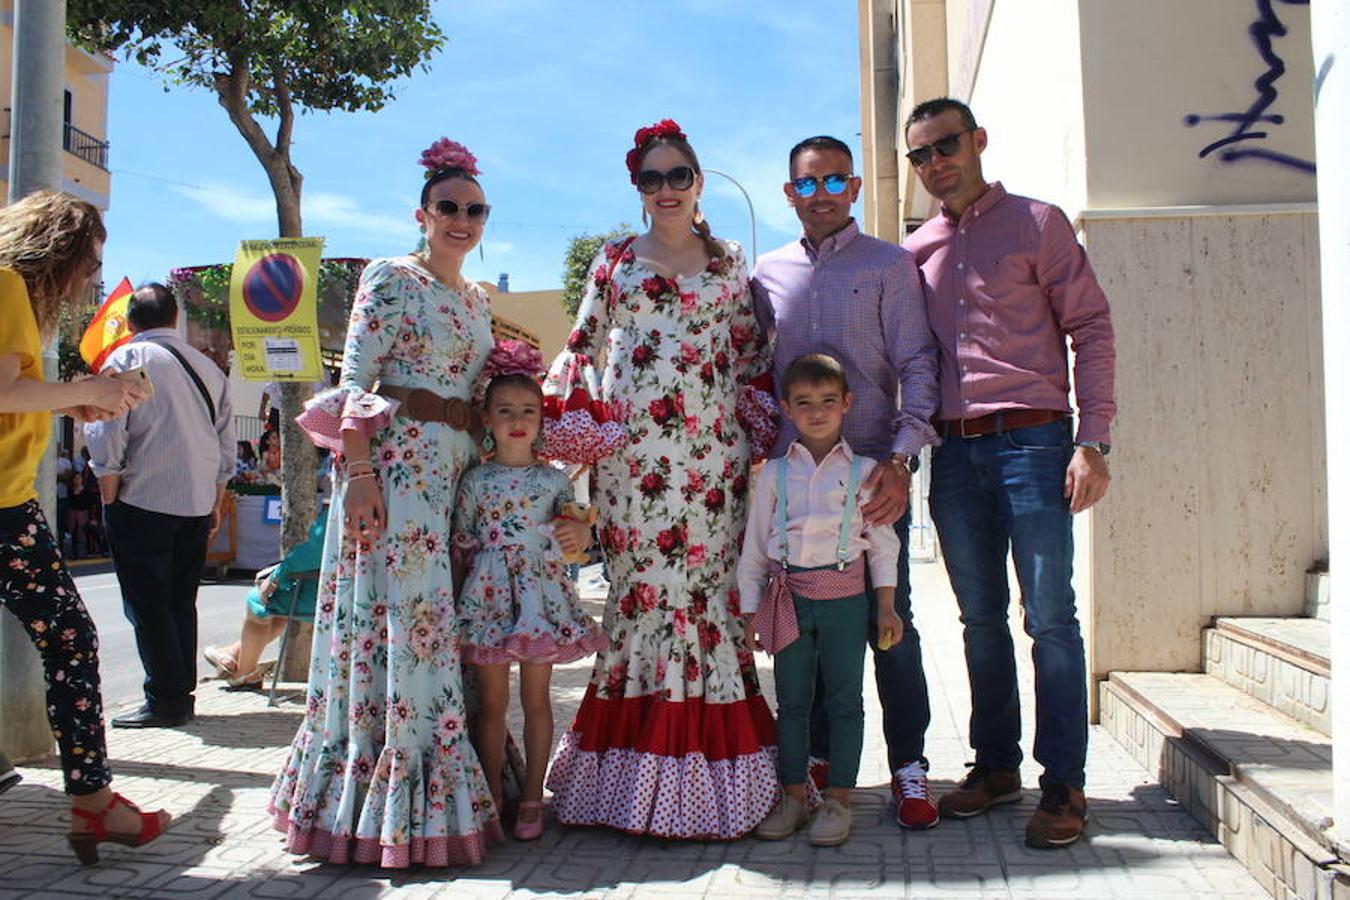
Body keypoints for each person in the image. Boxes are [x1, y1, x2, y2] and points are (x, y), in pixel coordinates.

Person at [544, 119, 779, 839]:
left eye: (679, 175)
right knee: (642, 598)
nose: (667, 189)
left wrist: (762, 445)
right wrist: (565, 448)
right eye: (653, 178)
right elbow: (580, 352)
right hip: (633, 468)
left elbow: (748, 355)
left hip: (714, 465)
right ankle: (628, 781)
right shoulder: (614, 260)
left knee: (704, 598)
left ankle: (709, 781)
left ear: (699, 182)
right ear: (637, 189)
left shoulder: (732, 259)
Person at [270, 137, 499, 868]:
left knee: (437, 626)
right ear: (422, 213)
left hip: (453, 481)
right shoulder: (391, 276)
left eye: (474, 209)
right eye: (448, 208)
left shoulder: (474, 297)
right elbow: (359, 376)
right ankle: (381, 806)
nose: (461, 219)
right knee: (400, 626)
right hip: (395, 475)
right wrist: (360, 470)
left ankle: (440, 787)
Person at [902, 97, 1116, 849]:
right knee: (979, 620)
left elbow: (1090, 329)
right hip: (954, 454)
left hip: (1035, 444)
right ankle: (996, 767)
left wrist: (1095, 441)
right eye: (920, 155)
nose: (935, 164)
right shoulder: (918, 248)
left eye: (946, 146)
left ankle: (1065, 786)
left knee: (1050, 617)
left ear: (978, 141)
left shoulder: (1037, 223)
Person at [750, 134, 942, 829]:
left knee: (890, 627)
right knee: (811, 644)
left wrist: (900, 458)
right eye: (808, 184)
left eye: (835, 182)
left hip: (872, 482)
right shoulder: (765, 274)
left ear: (854, 188)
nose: (821, 195)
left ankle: (910, 768)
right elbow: (754, 378)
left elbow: (918, 362)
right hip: (798, 487)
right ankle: (821, 773)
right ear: (789, 193)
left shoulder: (891, 265)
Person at [0, 188, 168, 862]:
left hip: (12, 506)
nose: (88, 281)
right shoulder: (9, 286)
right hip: (6, 511)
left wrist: (72, 405)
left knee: (70, 639)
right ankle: (93, 804)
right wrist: (90, 390)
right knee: (71, 641)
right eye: (89, 261)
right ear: (61, 246)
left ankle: (94, 803)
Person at [739, 354, 903, 847]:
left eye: (828, 401)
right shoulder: (772, 475)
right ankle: (794, 797)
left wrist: (887, 605)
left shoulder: (866, 471)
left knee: (845, 703)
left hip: (846, 606)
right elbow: (753, 548)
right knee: (791, 704)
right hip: (788, 599)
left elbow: (883, 546)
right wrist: (750, 611)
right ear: (787, 408)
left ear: (847, 405)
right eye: (804, 403)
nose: (816, 412)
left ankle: (837, 801)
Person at [452, 341, 606, 841]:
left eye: (529, 411)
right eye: (505, 411)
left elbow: (577, 539)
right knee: (492, 703)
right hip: (489, 599)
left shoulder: (555, 480)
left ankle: (534, 796)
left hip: (542, 599)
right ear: (487, 417)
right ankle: (493, 794)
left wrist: (580, 535)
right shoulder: (474, 480)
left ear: (543, 417)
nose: (518, 420)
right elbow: (463, 539)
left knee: (537, 700)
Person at [85, 283, 235, 729]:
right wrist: (217, 500)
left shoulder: (126, 360)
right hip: (193, 502)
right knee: (179, 600)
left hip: (142, 497)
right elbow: (226, 443)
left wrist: (109, 495)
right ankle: (179, 695)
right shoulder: (208, 369)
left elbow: (106, 432)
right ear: (174, 319)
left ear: (131, 322)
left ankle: (165, 700)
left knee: (148, 604)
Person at [203, 512, 327, 688]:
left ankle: (245, 673)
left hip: (324, 598)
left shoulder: (346, 504)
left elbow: (312, 551)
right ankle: (233, 653)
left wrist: (276, 576)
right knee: (277, 606)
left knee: (258, 601)